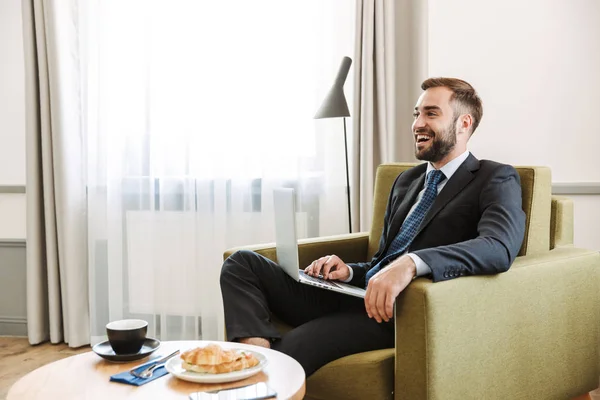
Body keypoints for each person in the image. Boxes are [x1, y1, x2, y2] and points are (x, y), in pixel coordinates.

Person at [220, 77, 526, 377]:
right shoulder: (407, 181)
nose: (418, 123)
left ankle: (259, 373)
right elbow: (382, 261)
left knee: (292, 349)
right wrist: (349, 272)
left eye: (431, 113)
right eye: (416, 114)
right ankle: (255, 355)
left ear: (464, 123)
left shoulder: (494, 178)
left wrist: (412, 264)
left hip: (399, 311)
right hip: (357, 292)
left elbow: (498, 247)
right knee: (241, 263)